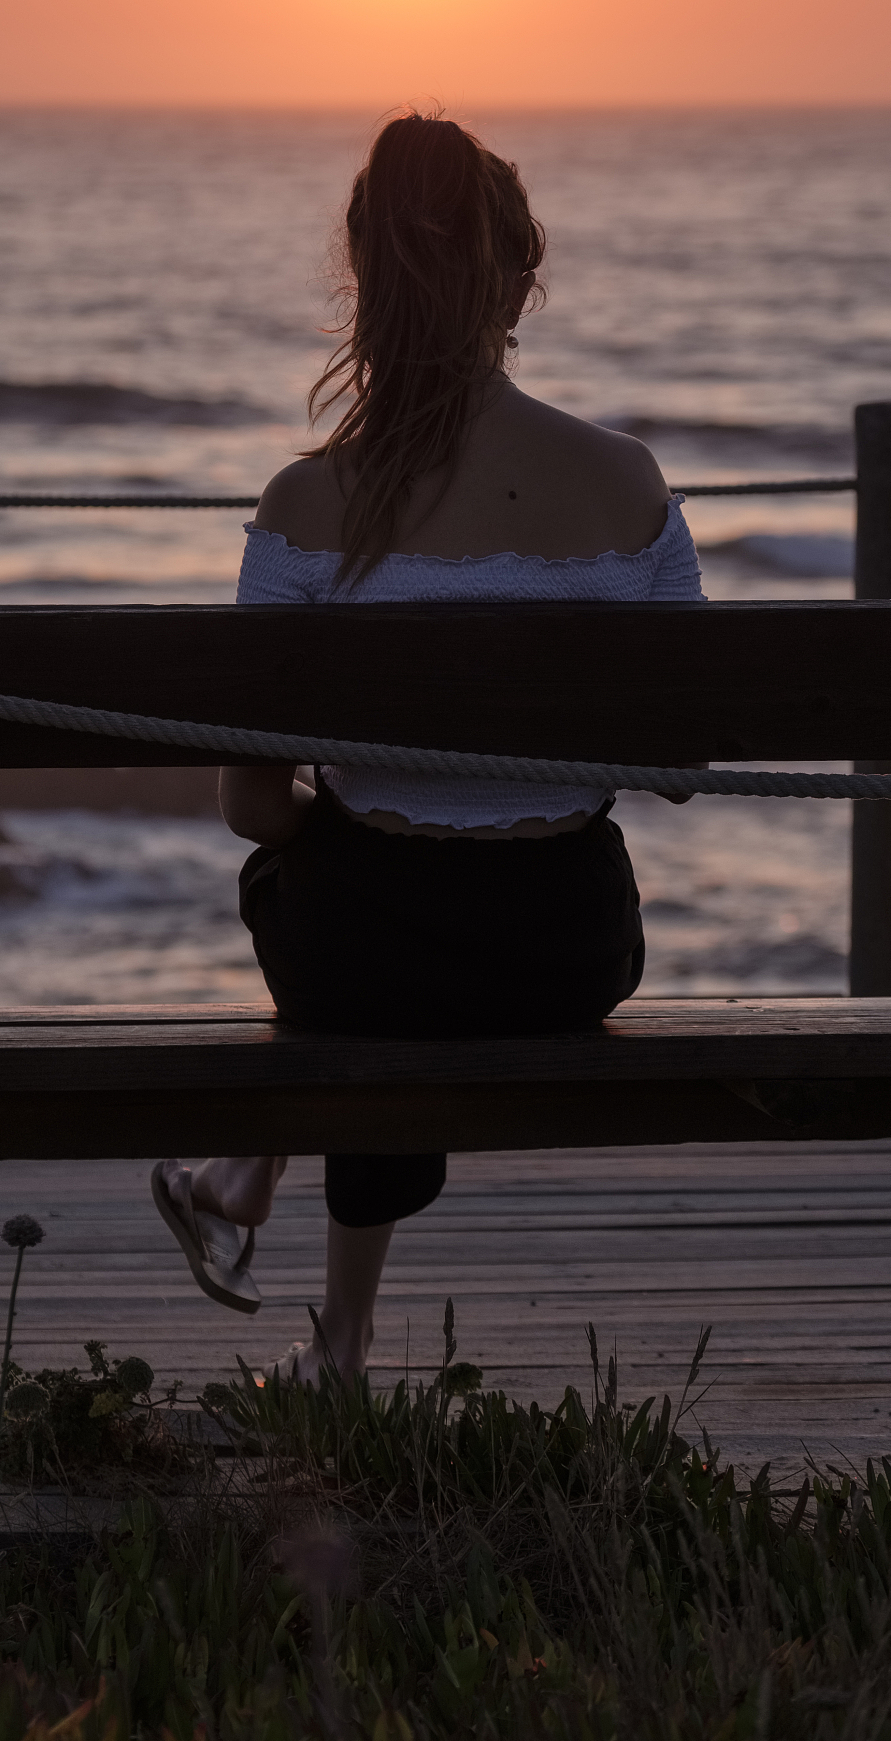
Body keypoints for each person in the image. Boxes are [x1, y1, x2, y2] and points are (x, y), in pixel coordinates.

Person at [152, 111, 705, 1385]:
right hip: (567, 948)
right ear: (521, 280)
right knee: (380, 922)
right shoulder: (627, 482)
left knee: (333, 899)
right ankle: (315, 1299)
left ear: (362, 279)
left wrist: (360, 815)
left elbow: (251, 809)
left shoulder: (305, 505)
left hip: (368, 957)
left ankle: (260, 1199)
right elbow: (685, 753)